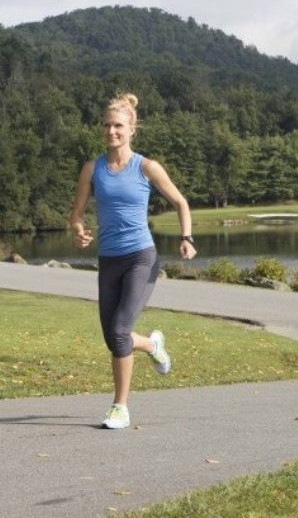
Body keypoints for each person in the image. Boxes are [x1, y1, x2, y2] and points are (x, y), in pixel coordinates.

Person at [69, 92, 196, 429]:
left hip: (141, 257)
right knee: (113, 338)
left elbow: (181, 203)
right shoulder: (92, 169)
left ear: (131, 129)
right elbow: (77, 214)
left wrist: (186, 238)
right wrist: (79, 230)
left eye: (118, 126)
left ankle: (120, 407)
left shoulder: (146, 167)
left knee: (120, 330)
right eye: (106, 125)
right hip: (108, 259)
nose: (111, 131)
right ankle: (153, 345)